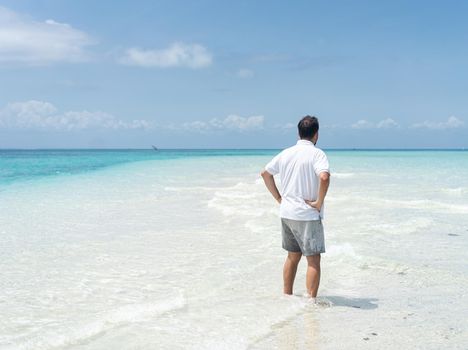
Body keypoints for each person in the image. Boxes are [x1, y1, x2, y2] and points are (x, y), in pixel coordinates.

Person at [261, 115, 330, 298]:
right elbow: (324, 177)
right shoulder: (317, 154)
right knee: (313, 260)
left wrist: (278, 198)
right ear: (316, 134)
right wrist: (318, 202)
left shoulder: (286, 153)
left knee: (293, 256)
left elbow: (265, 174)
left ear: (298, 133)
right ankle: (310, 304)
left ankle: (287, 296)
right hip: (307, 215)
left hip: (287, 213)